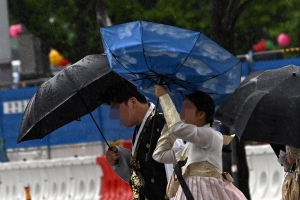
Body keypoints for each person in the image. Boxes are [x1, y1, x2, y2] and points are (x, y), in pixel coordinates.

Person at [152, 85, 247, 200]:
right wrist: (170, 126)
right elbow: (159, 155)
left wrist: (164, 98)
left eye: (186, 108)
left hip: (206, 194)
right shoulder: (189, 145)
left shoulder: (211, 136)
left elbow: (177, 128)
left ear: (201, 114)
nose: (181, 112)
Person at [105, 82, 171, 200]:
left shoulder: (162, 124)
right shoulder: (140, 128)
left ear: (133, 102)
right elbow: (141, 174)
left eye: (117, 109)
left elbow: (175, 171)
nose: (115, 116)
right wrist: (119, 158)